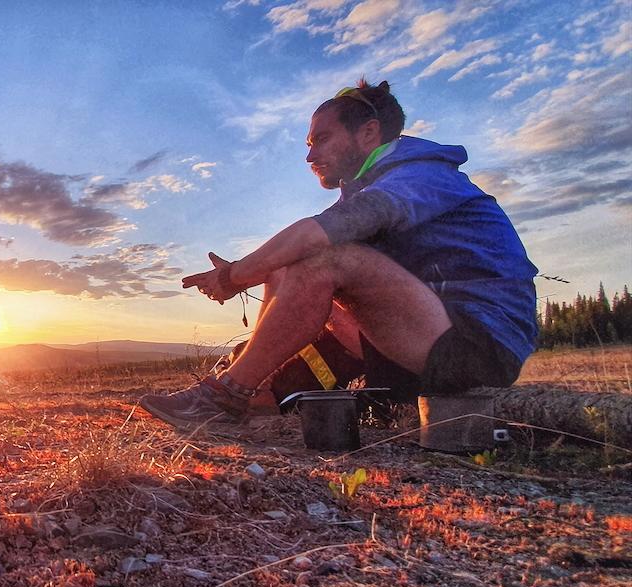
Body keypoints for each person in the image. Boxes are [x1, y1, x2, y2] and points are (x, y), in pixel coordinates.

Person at [138, 79, 538, 431]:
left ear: (368, 133)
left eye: (321, 140)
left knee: (322, 258)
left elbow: (316, 239)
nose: (310, 157)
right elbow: (298, 248)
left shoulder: (418, 175)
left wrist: (234, 277)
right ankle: (257, 389)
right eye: (309, 145)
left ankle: (225, 395)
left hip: (476, 345)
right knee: (291, 263)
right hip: (423, 336)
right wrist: (250, 274)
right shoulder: (370, 188)